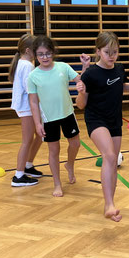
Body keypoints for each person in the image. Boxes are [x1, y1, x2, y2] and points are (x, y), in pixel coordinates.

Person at [76, 32, 129, 222]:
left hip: (114, 120)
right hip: (96, 119)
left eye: (115, 52)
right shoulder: (90, 74)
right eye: (107, 52)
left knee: (113, 162)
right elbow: (81, 105)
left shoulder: (119, 68)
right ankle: (109, 205)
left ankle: (110, 205)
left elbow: (121, 86)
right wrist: (82, 92)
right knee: (109, 156)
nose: (111, 56)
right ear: (98, 51)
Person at [27, 36, 88, 197]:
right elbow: (33, 102)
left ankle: (69, 164)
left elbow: (81, 81)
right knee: (54, 150)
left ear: (53, 53)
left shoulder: (63, 67)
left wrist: (84, 67)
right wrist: (37, 123)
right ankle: (57, 184)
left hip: (68, 114)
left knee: (75, 144)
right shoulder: (33, 76)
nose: (45, 57)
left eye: (48, 53)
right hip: (49, 119)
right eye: (41, 54)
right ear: (35, 55)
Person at [9, 34, 43, 187]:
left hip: (26, 106)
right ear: (28, 50)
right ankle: (18, 175)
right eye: (36, 49)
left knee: (39, 136)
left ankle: (28, 165)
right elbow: (31, 90)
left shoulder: (23, 63)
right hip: (27, 107)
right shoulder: (27, 66)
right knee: (27, 140)